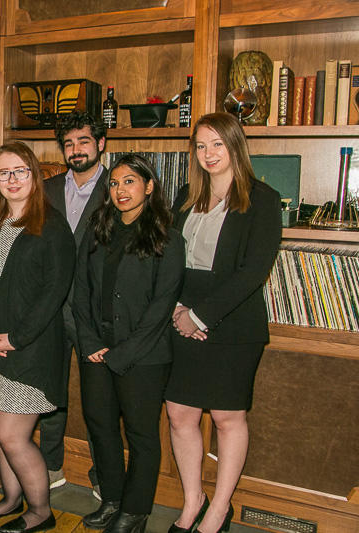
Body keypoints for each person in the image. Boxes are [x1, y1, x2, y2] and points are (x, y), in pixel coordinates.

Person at [165, 113, 282, 533]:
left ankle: (219, 509)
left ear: (235, 146)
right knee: (179, 413)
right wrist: (178, 310)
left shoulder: (263, 200)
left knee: (226, 419)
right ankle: (193, 500)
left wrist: (199, 315)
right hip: (181, 320)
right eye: (201, 145)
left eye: (217, 144)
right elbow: (170, 261)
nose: (209, 154)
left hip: (234, 326)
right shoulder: (185, 195)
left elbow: (253, 272)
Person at [0, 142, 76, 533]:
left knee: (13, 435)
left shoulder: (52, 226)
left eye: (19, 171)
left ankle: (41, 511)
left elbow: (54, 292)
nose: (11, 180)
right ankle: (11, 500)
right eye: (3, 173)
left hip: (29, 349)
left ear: (35, 174)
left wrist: (16, 338)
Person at [73, 154, 185, 533]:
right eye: (116, 183)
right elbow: (82, 287)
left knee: (140, 435)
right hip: (95, 345)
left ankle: (135, 512)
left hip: (143, 354)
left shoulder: (168, 237)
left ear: (149, 186)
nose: (121, 190)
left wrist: (121, 354)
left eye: (130, 182)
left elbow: (161, 307)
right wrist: (89, 339)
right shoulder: (99, 227)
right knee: (100, 426)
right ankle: (113, 500)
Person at [42, 110, 109, 491]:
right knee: (51, 390)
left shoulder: (117, 189)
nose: (76, 149)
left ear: (100, 144)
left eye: (83, 141)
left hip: (95, 312)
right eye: (68, 143)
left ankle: (104, 475)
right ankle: (51, 466)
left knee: (98, 399)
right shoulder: (47, 189)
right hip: (50, 308)